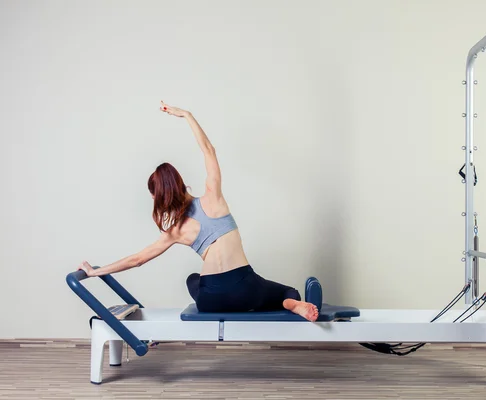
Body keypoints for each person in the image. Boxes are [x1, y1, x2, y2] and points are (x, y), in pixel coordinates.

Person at [77, 101, 319, 322]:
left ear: (159, 198)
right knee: (287, 291)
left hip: (210, 300)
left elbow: (137, 260)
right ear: (180, 183)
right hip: (246, 289)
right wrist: (187, 115)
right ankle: (292, 303)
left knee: (193, 279)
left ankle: (266, 299)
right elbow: (208, 150)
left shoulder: (174, 231)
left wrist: (96, 272)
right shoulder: (212, 196)